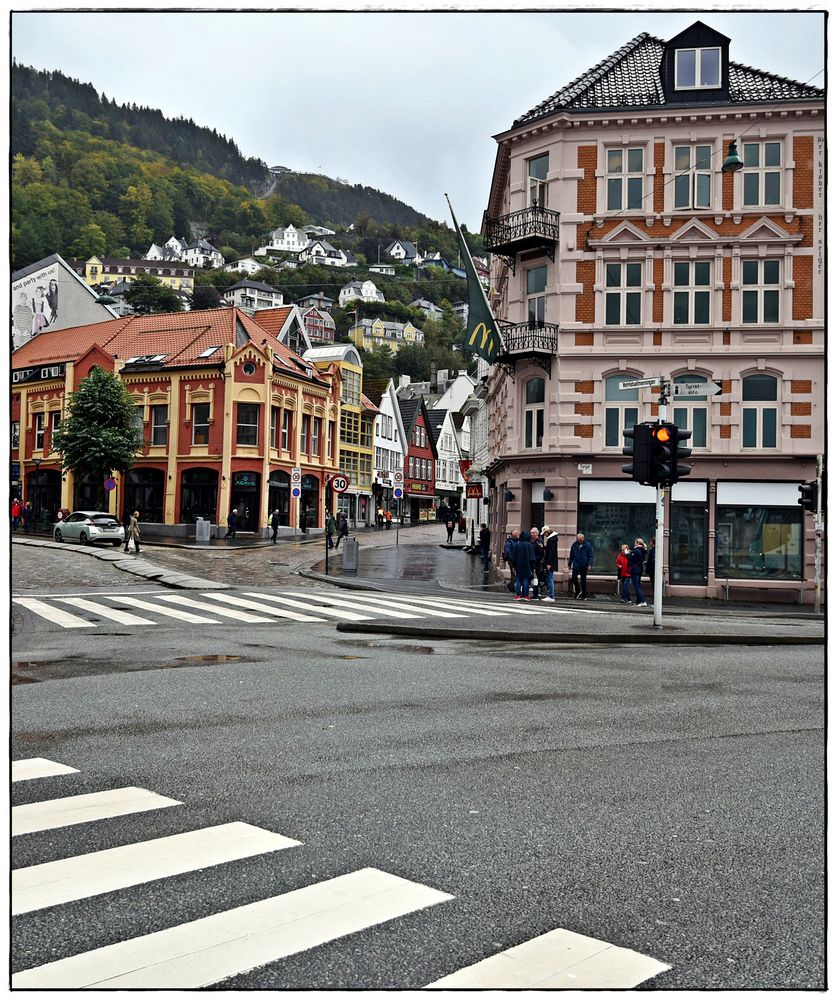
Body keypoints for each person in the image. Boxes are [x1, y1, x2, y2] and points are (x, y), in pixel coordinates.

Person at [567, 532, 594, 599]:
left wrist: (589, 564)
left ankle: (583, 595)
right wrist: (569, 564)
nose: (579, 541)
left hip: (584, 565)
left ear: (583, 539)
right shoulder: (574, 545)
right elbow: (571, 555)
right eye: (578, 540)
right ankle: (578, 590)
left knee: (583, 580)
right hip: (576, 564)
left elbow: (590, 556)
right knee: (574, 578)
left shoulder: (587, 545)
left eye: (580, 540)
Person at [511, 529, 536, 601]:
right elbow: (532, 558)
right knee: (526, 580)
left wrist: (513, 566)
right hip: (527, 565)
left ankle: (518, 595)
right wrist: (532, 567)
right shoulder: (530, 545)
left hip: (518, 565)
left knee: (518, 579)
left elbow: (513, 557)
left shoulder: (517, 545)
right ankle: (526, 595)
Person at [628, 538, 648, 607]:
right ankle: (638, 601)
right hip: (639, 569)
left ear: (637, 543)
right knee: (638, 585)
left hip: (635, 570)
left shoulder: (637, 550)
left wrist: (627, 554)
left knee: (637, 586)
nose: (634, 544)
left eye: (635, 542)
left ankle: (642, 600)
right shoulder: (642, 550)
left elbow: (630, 558)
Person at [541, 526, 558, 602]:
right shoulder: (553, 539)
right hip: (552, 562)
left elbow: (551, 553)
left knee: (550, 578)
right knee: (550, 578)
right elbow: (550, 551)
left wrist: (549, 563)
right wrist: (543, 547)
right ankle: (551, 595)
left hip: (550, 562)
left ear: (547, 532)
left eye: (544, 533)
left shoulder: (551, 540)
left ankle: (551, 596)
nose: (544, 535)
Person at [503, 529, 519, 593]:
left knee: (515, 574)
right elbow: (508, 552)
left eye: (517, 533)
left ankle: (511, 585)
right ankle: (511, 586)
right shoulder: (509, 542)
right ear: (513, 535)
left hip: (517, 560)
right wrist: (512, 559)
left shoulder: (518, 541)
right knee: (514, 574)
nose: (517, 534)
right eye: (516, 533)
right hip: (512, 561)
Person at [530, 527, 544, 600]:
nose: (532, 534)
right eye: (531, 533)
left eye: (533, 532)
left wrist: (536, 559)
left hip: (537, 563)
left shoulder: (539, 541)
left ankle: (537, 592)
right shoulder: (532, 541)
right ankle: (535, 592)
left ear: (537, 533)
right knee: (533, 578)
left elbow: (541, 553)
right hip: (532, 562)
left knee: (536, 578)